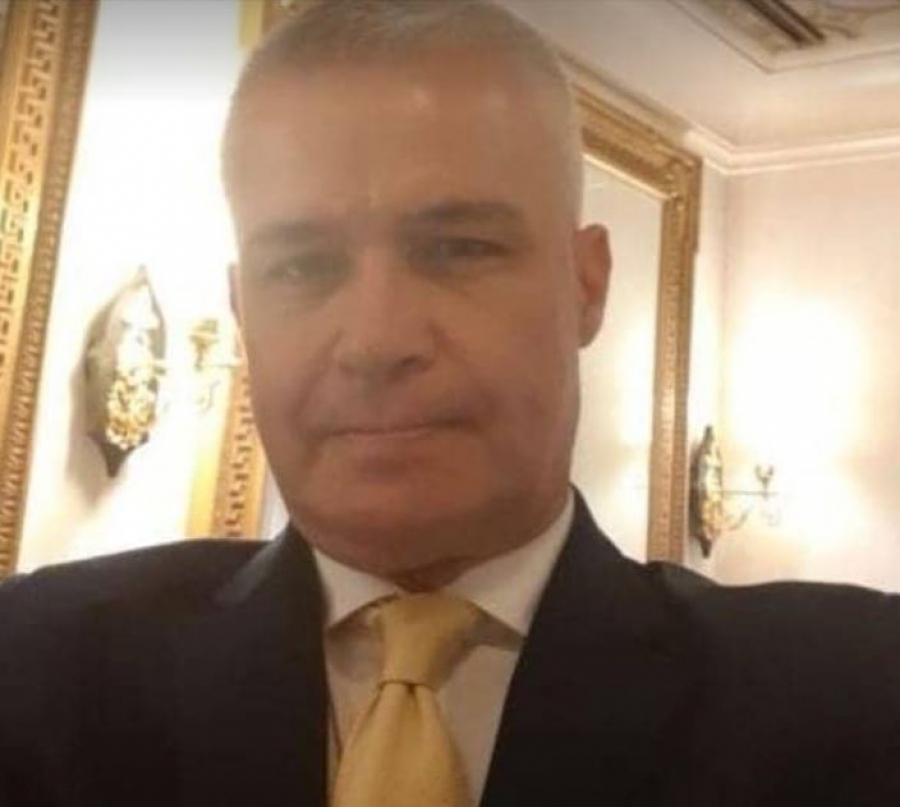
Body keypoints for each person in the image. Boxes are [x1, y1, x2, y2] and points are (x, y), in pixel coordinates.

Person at [1, 2, 899, 805]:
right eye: (302, 266)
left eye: (459, 248)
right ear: (241, 312)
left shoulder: (855, 694)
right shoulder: (34, 670)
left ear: (586, 285)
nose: (376, 340)